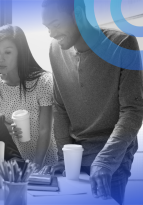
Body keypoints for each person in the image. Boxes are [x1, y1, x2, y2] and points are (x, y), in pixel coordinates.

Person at [41, 0, 143, 204]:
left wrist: (104, 161)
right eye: (47, 27)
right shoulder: (55, 50)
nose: (51, 33)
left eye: (55, 23)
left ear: (78, 13)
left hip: (111, 162)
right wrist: (63, 157)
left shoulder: (123, 43)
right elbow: (60, 108)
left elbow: (133, 110)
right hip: (74, 158)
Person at [0, 24, 58, 169]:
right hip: (13, 165)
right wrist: (7, 127)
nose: (0, 59)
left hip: (44, 162)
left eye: (8, 52)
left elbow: (45, 129)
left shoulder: (43, 81)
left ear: (21, 53)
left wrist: (36, 165)